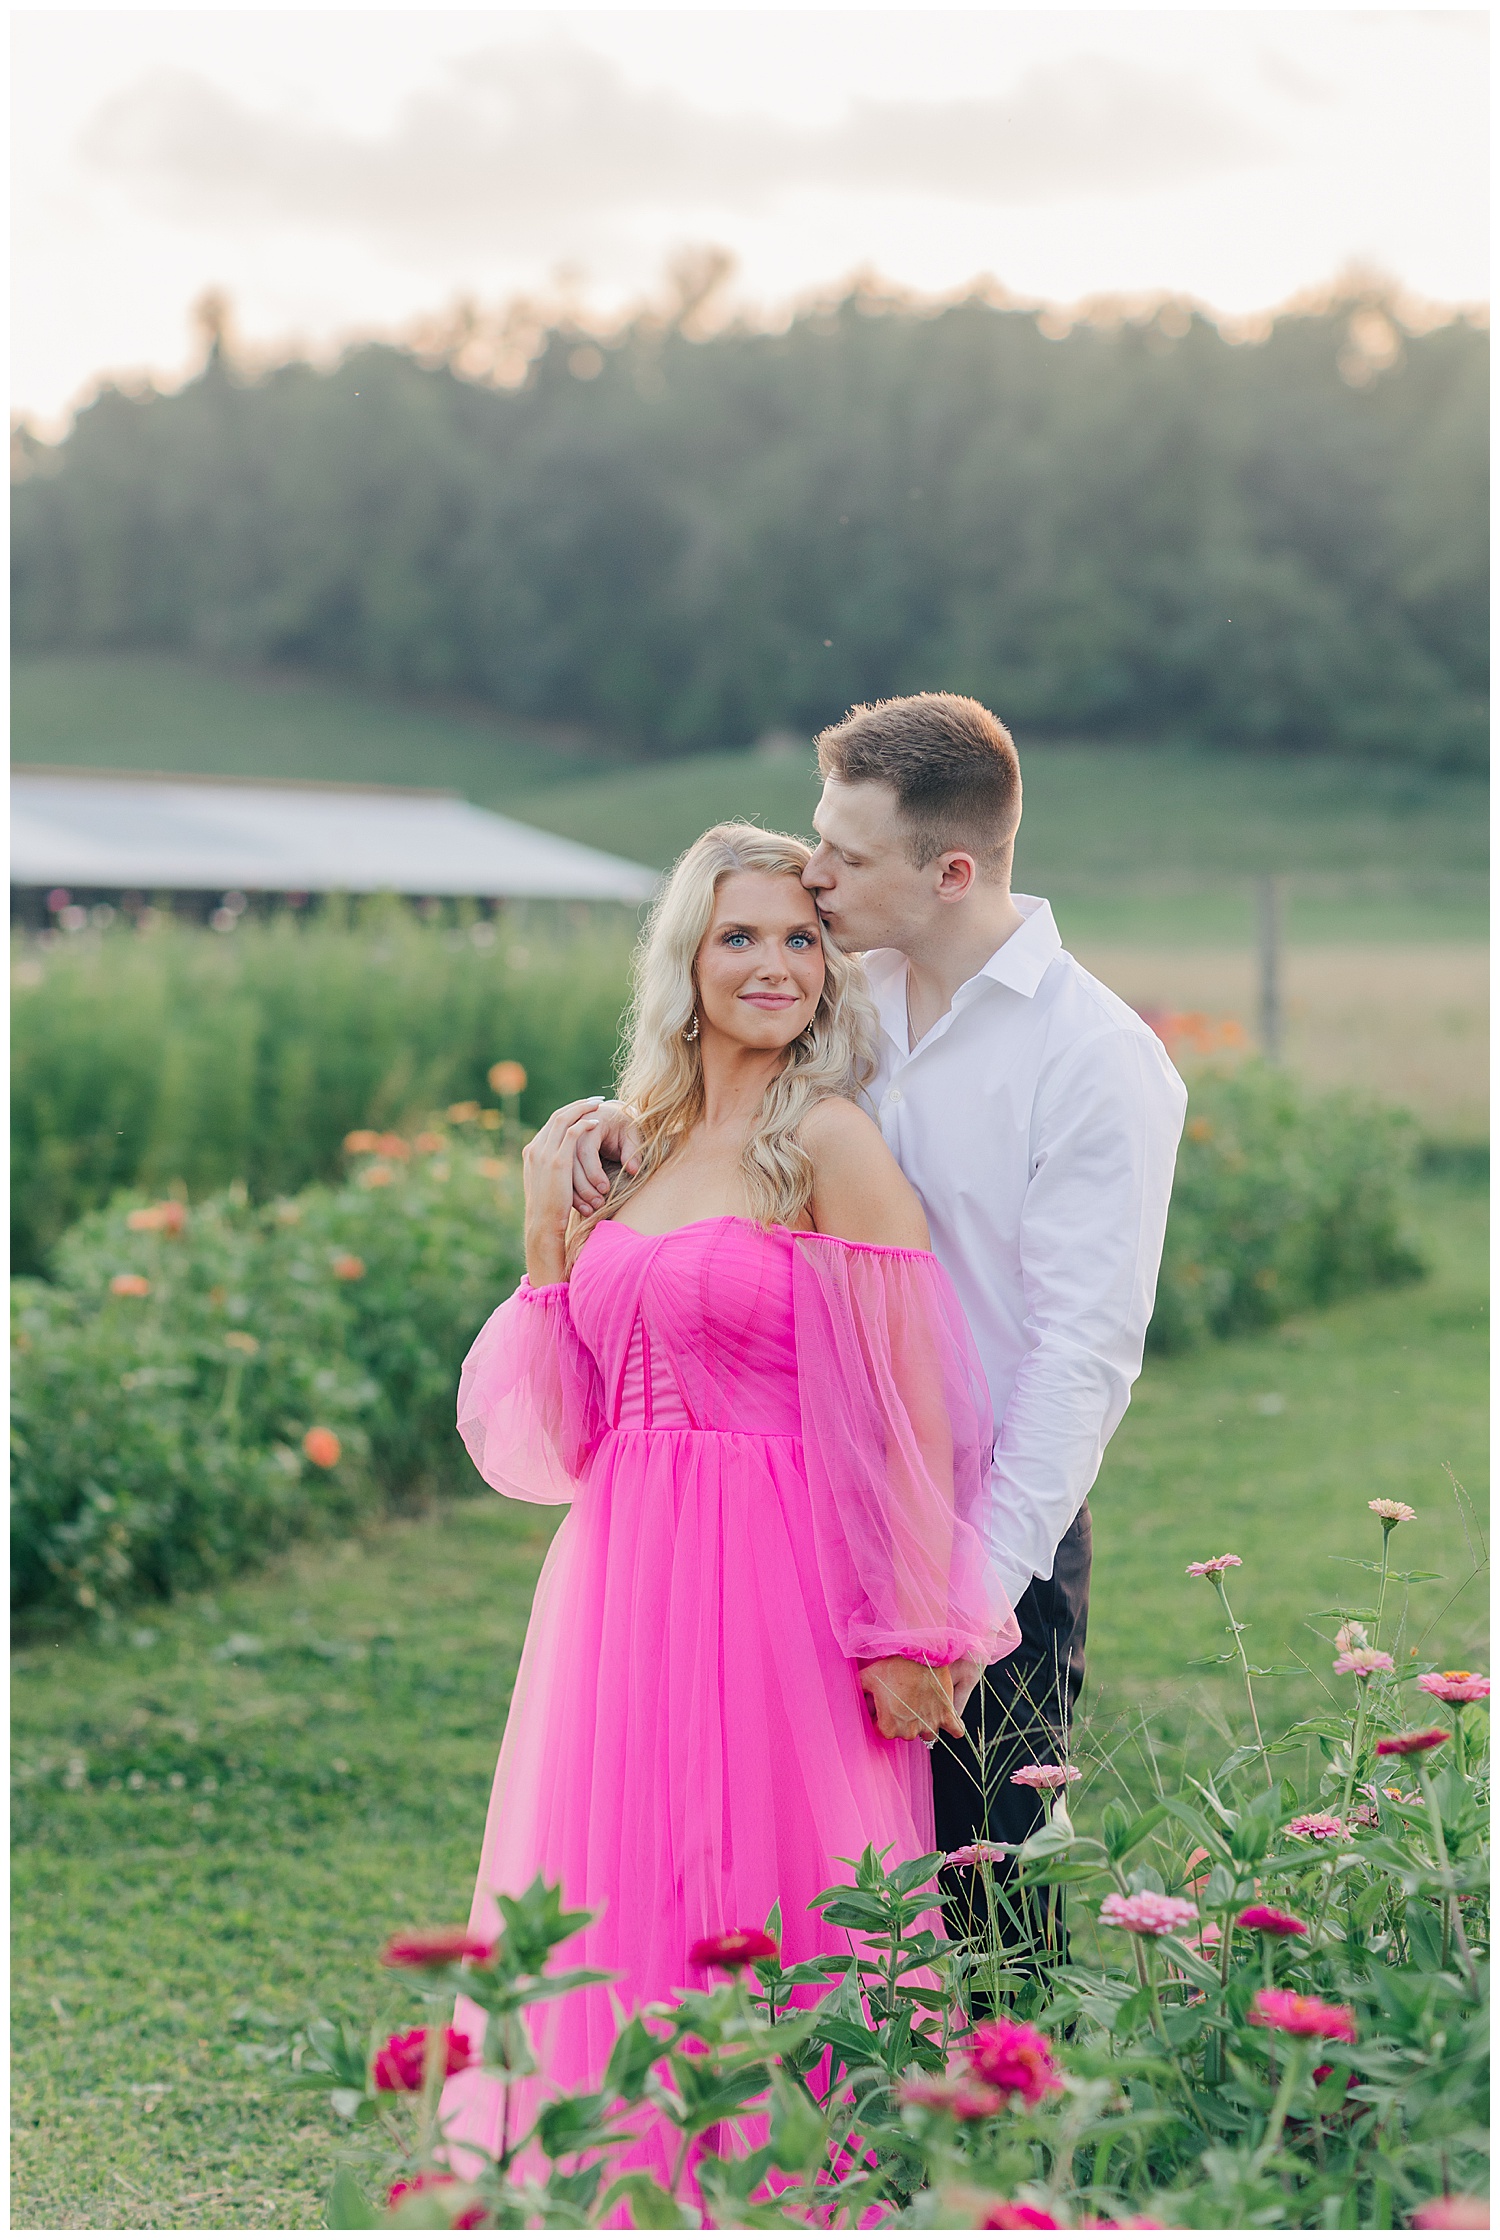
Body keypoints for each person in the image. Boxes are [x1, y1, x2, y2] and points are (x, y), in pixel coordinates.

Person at [441, 824, 1018, 2197]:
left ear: (832, 967)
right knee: (623, 1873)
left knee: (785, 1882)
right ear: (686, 959)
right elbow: (562, 1434)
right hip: (622, 1567)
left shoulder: (827, 1143)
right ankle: (628, 2186)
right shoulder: (625, 1154)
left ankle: (800, 2193)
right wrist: (546, 1236)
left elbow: (906, 1416)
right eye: (739, 936)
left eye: (802, 938)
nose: (773, 965)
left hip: (781, 1570)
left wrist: (906, 1626)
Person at [570, 695, 1187, 1941]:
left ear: (951, 870)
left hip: (979, 1539)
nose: (816, 871)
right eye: (818, 837)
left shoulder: (1093, 1058)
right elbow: (733, 1101)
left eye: (846, 854)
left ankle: (1018, 2144)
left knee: (986, 1918)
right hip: (804, 1527)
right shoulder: (847, 998)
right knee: (807, 1894)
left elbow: (1081, 1357)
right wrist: (613, 1130)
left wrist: (960, 1601)